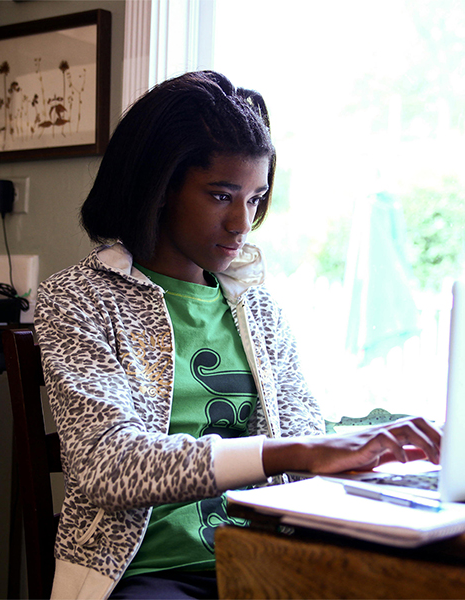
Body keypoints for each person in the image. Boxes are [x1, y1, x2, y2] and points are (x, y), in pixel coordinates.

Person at [34, 71, 441, 600]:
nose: (242, 224)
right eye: (222, 196)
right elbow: (107, 464)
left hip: (266, 560)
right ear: (159, 188)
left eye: (255, 199)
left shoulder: (260, 311)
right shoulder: (80, 299)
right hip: (146, 577)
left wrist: (387, 458)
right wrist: (292, 452)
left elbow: (303, 441)